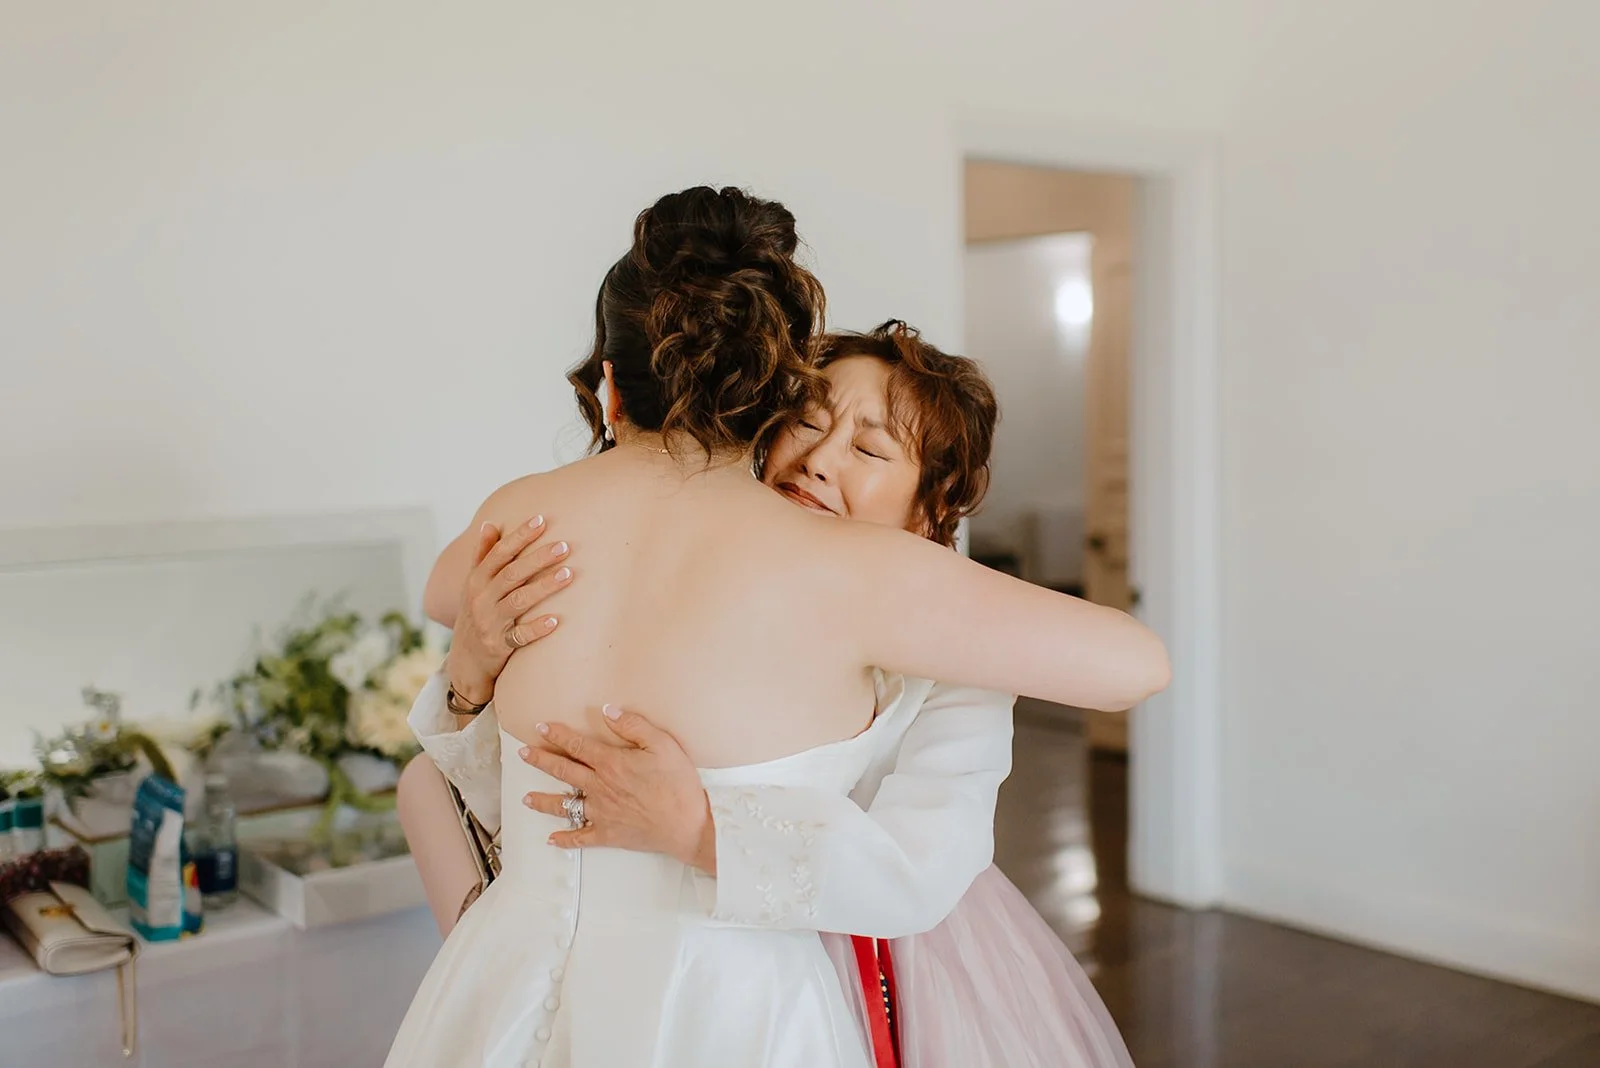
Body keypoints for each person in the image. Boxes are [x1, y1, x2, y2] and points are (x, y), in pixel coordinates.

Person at [386, 186, 1167, 1067]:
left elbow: (931, 855)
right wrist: (468, 668)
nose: (822, 460)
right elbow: (496, 762)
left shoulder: (906, 599)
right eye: (808, 422)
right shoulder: (810, 568)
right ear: (766, 408)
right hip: (675, 990)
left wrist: (704, 830)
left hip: (866, 959)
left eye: (870, 451)